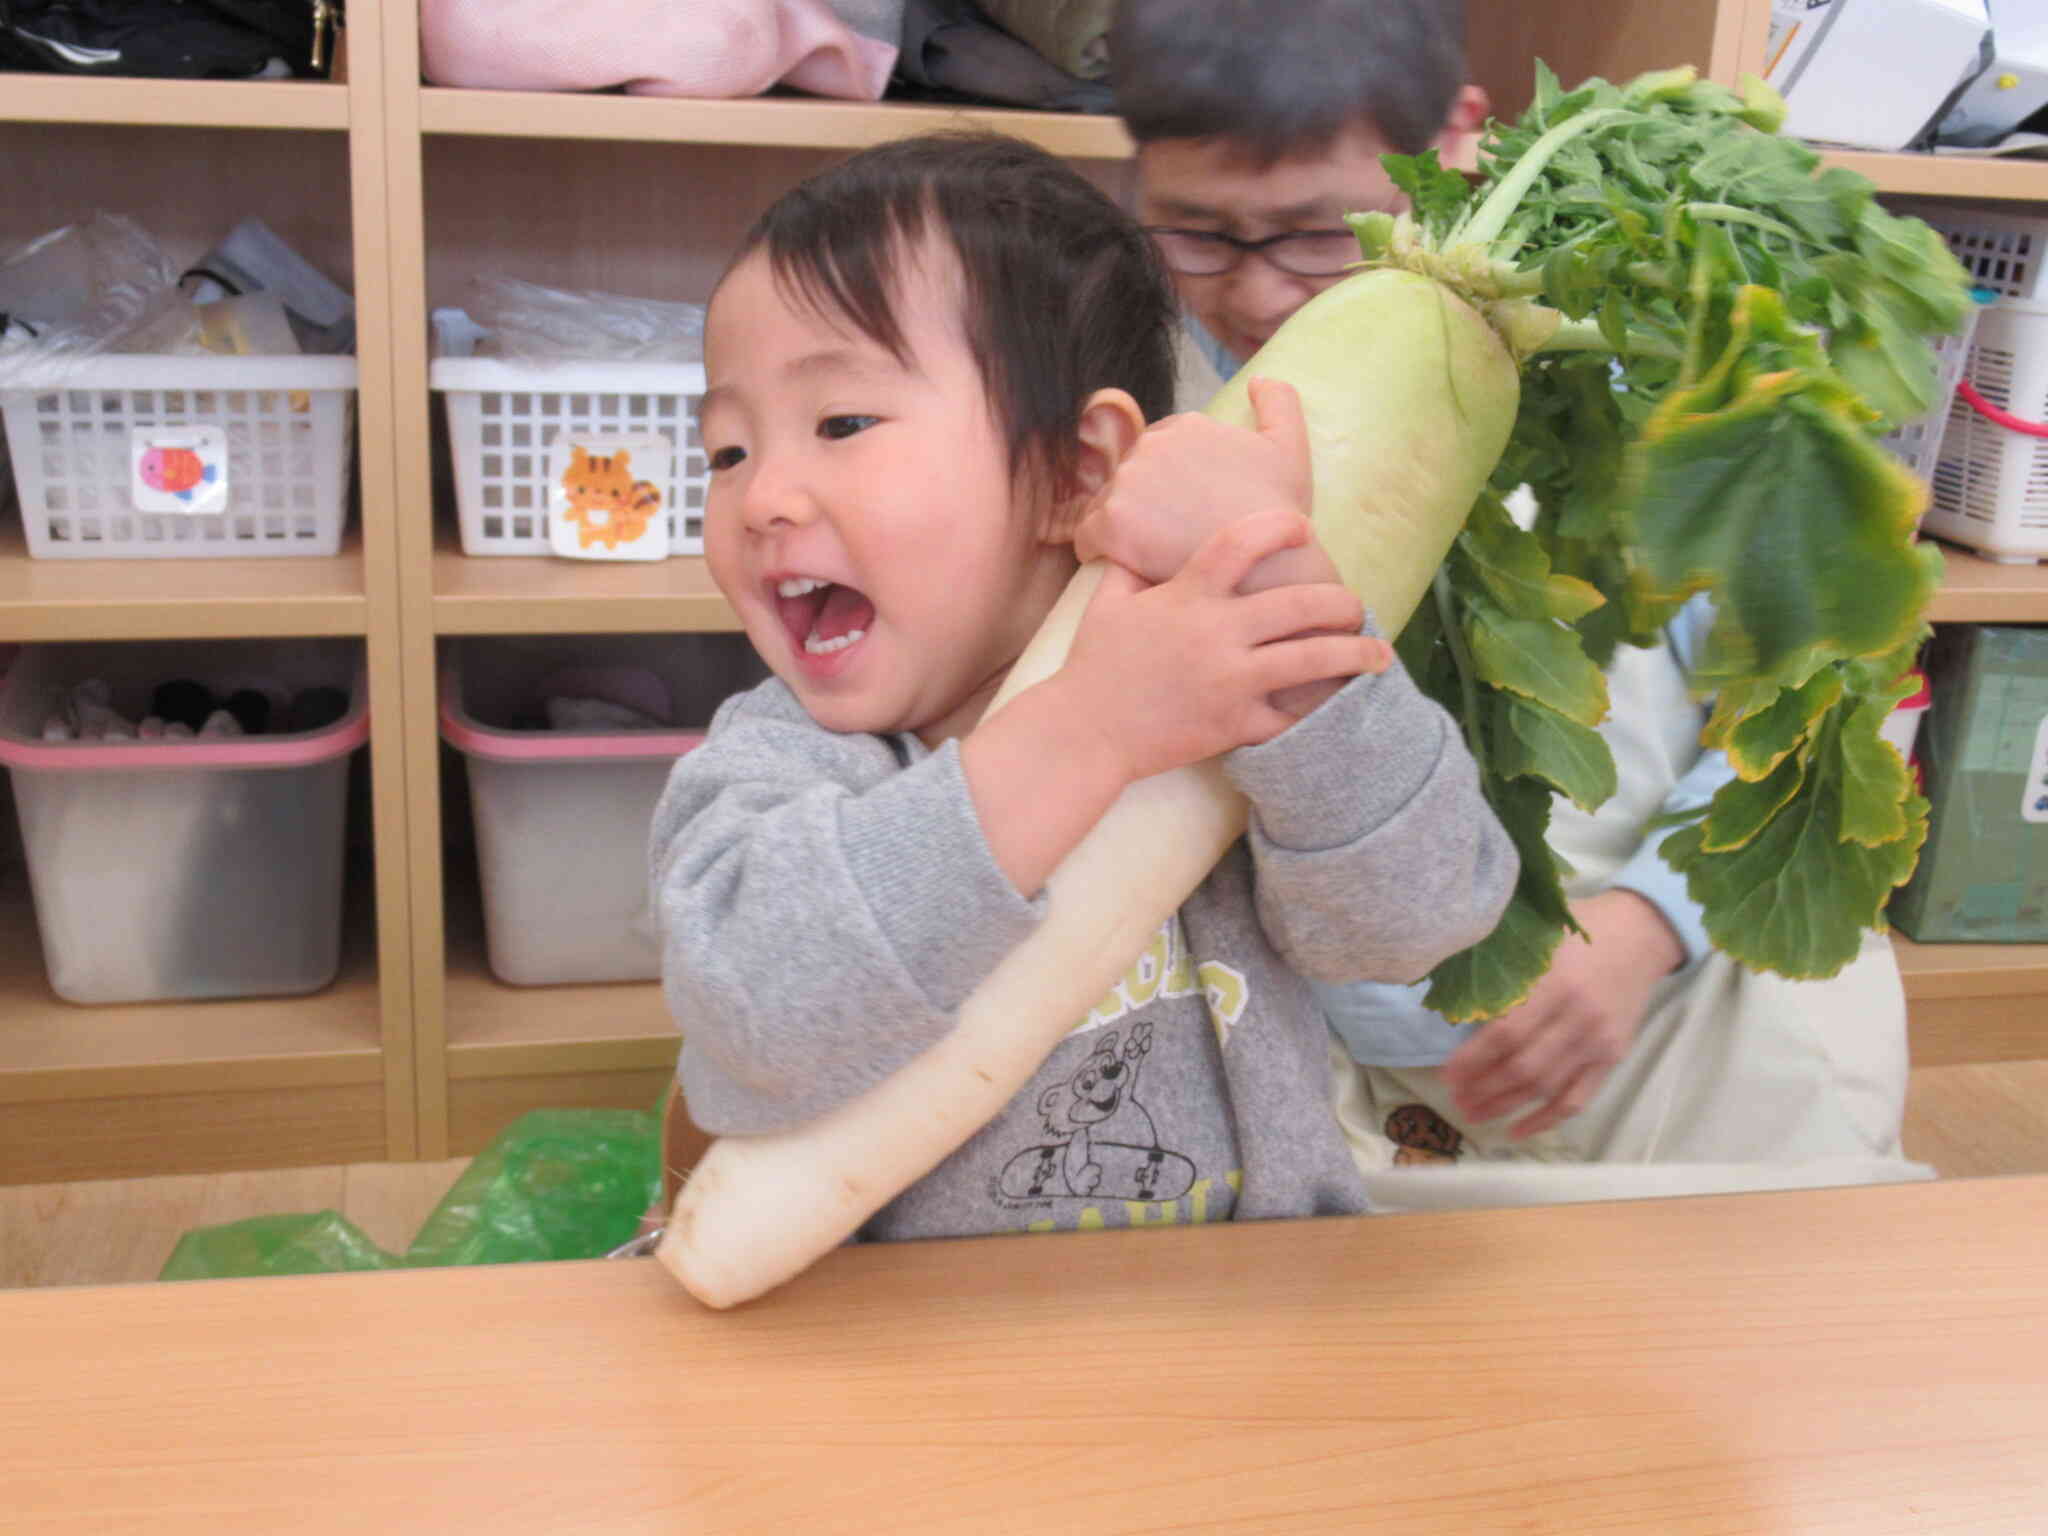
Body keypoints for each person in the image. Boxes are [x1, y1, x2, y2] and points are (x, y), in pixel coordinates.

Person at [648, 131, 1518, 1243]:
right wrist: (1085, 732)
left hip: (1244, 1332)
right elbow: (754, 1007)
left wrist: (1287, 617)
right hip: (894, 1358)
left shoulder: (1220, 705)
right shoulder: (782, 762)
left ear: (1078, 471)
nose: (762, 494)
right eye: (725, 451)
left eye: (841, 424)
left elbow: (1420, 920)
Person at [1111, 0, 1922, 1187]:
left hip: (1682, 1034)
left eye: (1315, 235)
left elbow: (1819, 711)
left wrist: (1647, 926)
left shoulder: (1661, 371)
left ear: (1454, 140)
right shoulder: (1139, 400)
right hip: (1349, 1058)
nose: (1257, 293)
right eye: (1196, 232)